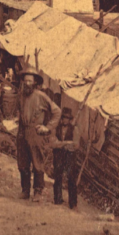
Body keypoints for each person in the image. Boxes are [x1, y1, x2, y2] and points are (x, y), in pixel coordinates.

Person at [16, 68, 61, 202]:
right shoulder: (20, 96)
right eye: (25, 81)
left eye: (30, 81)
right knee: (22, 163)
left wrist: (47, 128)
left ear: (35, 83)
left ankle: (38, 191)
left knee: (37, 163)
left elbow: (57, 111)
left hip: (35, 133)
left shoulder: (41, 96)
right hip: (22, 131)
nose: (27, 83)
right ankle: (25, 190)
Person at [51, 107, 79, 208]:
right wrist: (66, 143)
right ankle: (57, 199)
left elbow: (75, 145)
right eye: (64, 118)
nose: (65, 120)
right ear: (61, 118)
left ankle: (73, 203)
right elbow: (53, 143)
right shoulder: (56, 128)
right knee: (57, 176)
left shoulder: (74, 129)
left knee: (71, 178)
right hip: (58, 155)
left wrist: (61, 144)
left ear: (69, 119)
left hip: (69, 156)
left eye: (67, 118)